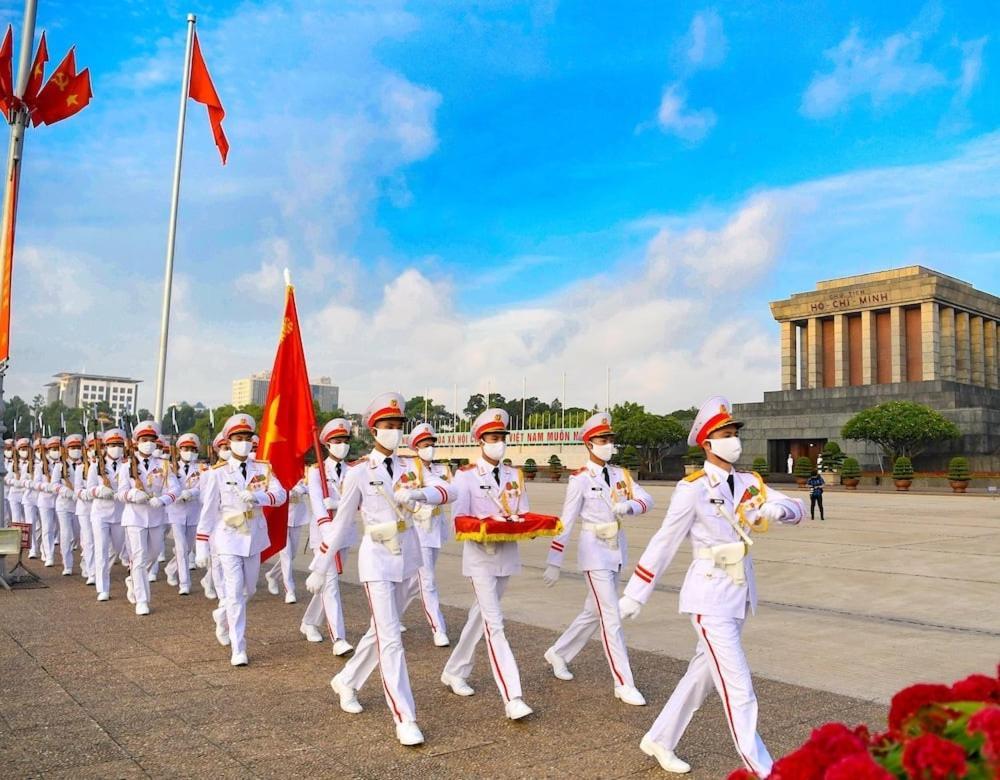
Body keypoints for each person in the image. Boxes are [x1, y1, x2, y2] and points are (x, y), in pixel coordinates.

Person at [619, 396, 805, 777]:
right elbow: (664, 541)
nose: (733, 440)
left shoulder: (750, 482)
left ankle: (660, 738)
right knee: (739, 687)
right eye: (725, 434)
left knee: (700, 676)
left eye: (735, 433)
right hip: (708, 599)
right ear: (707, 442)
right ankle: (765, 770)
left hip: (739, 596)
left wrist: (778, 509)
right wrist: (636, 592)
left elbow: (798, 509)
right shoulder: (693, 489)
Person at [307, 392, 453, 747]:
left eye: (398, 426)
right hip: (376, 559)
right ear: (374, 429)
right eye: (388, 426)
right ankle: (404, 716)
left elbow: (447, 491)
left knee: (379, 631)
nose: (395, 432)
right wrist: (319, 564)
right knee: (391, 638)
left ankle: (347, 680)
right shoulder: (359, 472)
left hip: (408, 557)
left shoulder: (410, 467)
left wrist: (419, 496)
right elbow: (341, 524)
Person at [542, 412, 653, 706]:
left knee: (594, 612)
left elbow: (647, 499)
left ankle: (559, 652)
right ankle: (623, 682)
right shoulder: (580, 480)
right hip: (593, 552)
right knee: (610, 616)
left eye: (610, 440)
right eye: (603, 440)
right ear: (590, 444)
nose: (608, 444)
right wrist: (555, 559)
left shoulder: (620, 475)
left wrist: (631, 506)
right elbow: (566, 520)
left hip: (616, 548)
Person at [441, 408, 534, 721]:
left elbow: (524, 512)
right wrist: (487, 523)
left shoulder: (514, 475)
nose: (500, 443)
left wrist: (518, 523)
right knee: (495, 624)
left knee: (479, 617)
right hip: (480, 557)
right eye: (494, 438)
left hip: (506, 556)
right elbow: (459, 520)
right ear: (480, 440)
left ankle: (455, 670)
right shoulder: (466, 476)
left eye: (502, 437)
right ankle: (513, 697)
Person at [195, 413, 287, 666]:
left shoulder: (263, 468)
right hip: (227, 537)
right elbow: (208, 512)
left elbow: (280, 495)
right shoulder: (217, 473)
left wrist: (258, 498)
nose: (243, 442)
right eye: (238, 438)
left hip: (254, 536)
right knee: (235, 592)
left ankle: (222, 616)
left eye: (247, 438)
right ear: (229, 440)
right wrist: (202, 545)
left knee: (249, 590)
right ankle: (239, 647)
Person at [300, 417, 357, 655]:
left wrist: (340, 503)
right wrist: (328, 536)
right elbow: (317, 505)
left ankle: (309, 622)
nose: (341, 444)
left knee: (326, 583)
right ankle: (339, 638)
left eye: (344, 440)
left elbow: (359, 501)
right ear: (326, 444)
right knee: (331, 584)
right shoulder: (316, 472)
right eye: (336, 440)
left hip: (345, 533)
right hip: (325, 534)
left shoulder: (355, 470)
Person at [118, 421, 180, 616]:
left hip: (156, 516)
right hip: (134, 516)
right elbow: (120, 493)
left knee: (154, 554)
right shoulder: (126, 466)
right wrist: (132, 495)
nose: (148, 443)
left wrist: (162, 500)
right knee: (138, 557)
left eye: (152, 440)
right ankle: (142, 600)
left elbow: (176, 489)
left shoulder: (164, 464)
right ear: (136, 442)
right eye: (144, 440)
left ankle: (133, 580)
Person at [401, 422, 452, 647]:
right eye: (424, 444)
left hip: (436, 530)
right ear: (415, 447)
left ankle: (388, 617)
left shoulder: (442, 470)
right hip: (418, 531)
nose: (429, 447)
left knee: (415, 582)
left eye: (432, 443)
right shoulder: (408, 468)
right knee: (428, 581)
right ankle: (438, 628)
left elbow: (451, 492)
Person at [88, 428, 128, 602]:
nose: (116, 448)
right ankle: (103, 588)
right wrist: (99, 490)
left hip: (119, 513)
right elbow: (88, 489)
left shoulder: (128, 465)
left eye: (119, 445)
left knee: (122, 550)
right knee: (101, 550)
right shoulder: (96, 466)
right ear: (105, 447)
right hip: (100, 513)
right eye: (112, 445)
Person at [164, 433, 206, 595]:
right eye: (186, 448)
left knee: (188, 548)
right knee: (181, 548)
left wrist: (192, 493)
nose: (189, 451)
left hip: (193, 511)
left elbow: (203, 486)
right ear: (180, 450)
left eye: (193, 449)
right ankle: (185, 583)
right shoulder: (170, 466)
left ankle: (170, 568)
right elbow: (167, 485)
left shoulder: (202, 468)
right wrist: (177, 494)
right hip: (176, 511)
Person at [264, 470, 311, 605]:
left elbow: (311, 486)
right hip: (281, 518)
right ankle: (290, 590)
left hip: (297, 517)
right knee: (286, 556)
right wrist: (289, 490)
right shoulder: (273, 473)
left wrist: (302, 488)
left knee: (292, 555)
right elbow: (272, 493)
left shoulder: (300, 471)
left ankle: (272, 575)